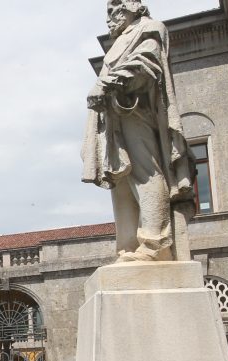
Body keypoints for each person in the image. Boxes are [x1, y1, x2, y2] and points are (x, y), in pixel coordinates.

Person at [82, 0, 194, 263]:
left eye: (116, 8)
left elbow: (148, 64)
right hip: (114, 119)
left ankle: (155, 243)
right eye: (108, 11)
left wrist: (109, 84)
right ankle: (129, 245)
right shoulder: (122, 40)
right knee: (121, 180)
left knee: (146, 172)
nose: (110, 15)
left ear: (133, 7)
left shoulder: (149, 29)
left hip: (137, 113)